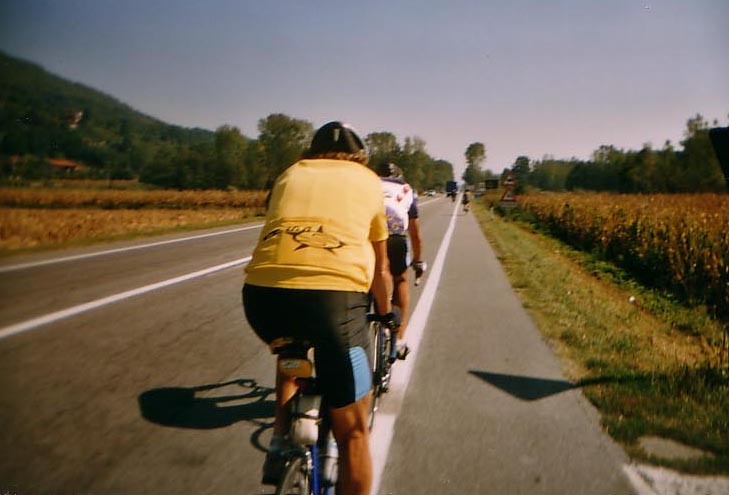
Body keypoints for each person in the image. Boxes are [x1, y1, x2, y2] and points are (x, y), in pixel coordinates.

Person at [242, 121, 396, 495]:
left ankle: (280, 440)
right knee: (353, 432)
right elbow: (381, 268)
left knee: (291, 351)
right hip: (334, 304)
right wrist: (385, 312)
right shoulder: (368, 180)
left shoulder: (290, 173)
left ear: (311, 151)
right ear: (359, 157)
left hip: (262, 298)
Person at [376, 162, 426, 359]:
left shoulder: (369, 183)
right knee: (401, 280)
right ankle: (398, 339)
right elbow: (415, 234)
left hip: (369, 236)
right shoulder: (406, 189)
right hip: (395, 238)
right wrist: (418, 260)